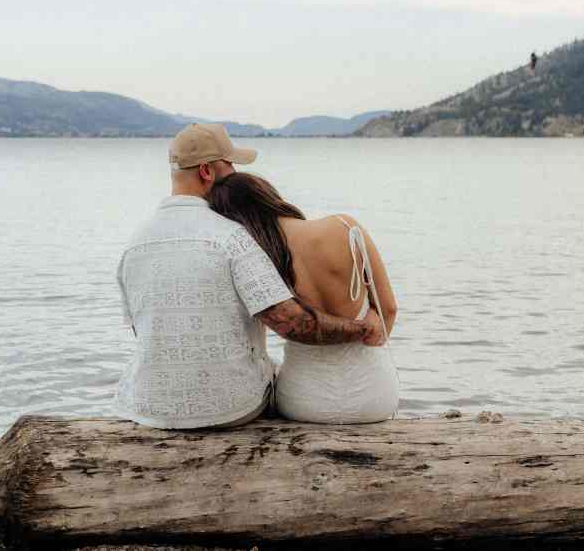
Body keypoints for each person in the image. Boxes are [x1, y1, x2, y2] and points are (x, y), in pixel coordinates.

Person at [111, 123, 384, 430]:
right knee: (280, 377)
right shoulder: (232, 237)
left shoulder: (135, 243)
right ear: (206, 172)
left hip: (149, 406)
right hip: (231, 409)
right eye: (231, 165)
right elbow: (294, 324)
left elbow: (144, 329)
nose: (237, 174)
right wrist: (361, 328)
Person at [208, 172, 400, 424]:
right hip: (374, 400)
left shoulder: (256, 259)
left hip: (302, 402)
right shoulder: (343, 226)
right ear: (268, 195)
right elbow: (389, 309)